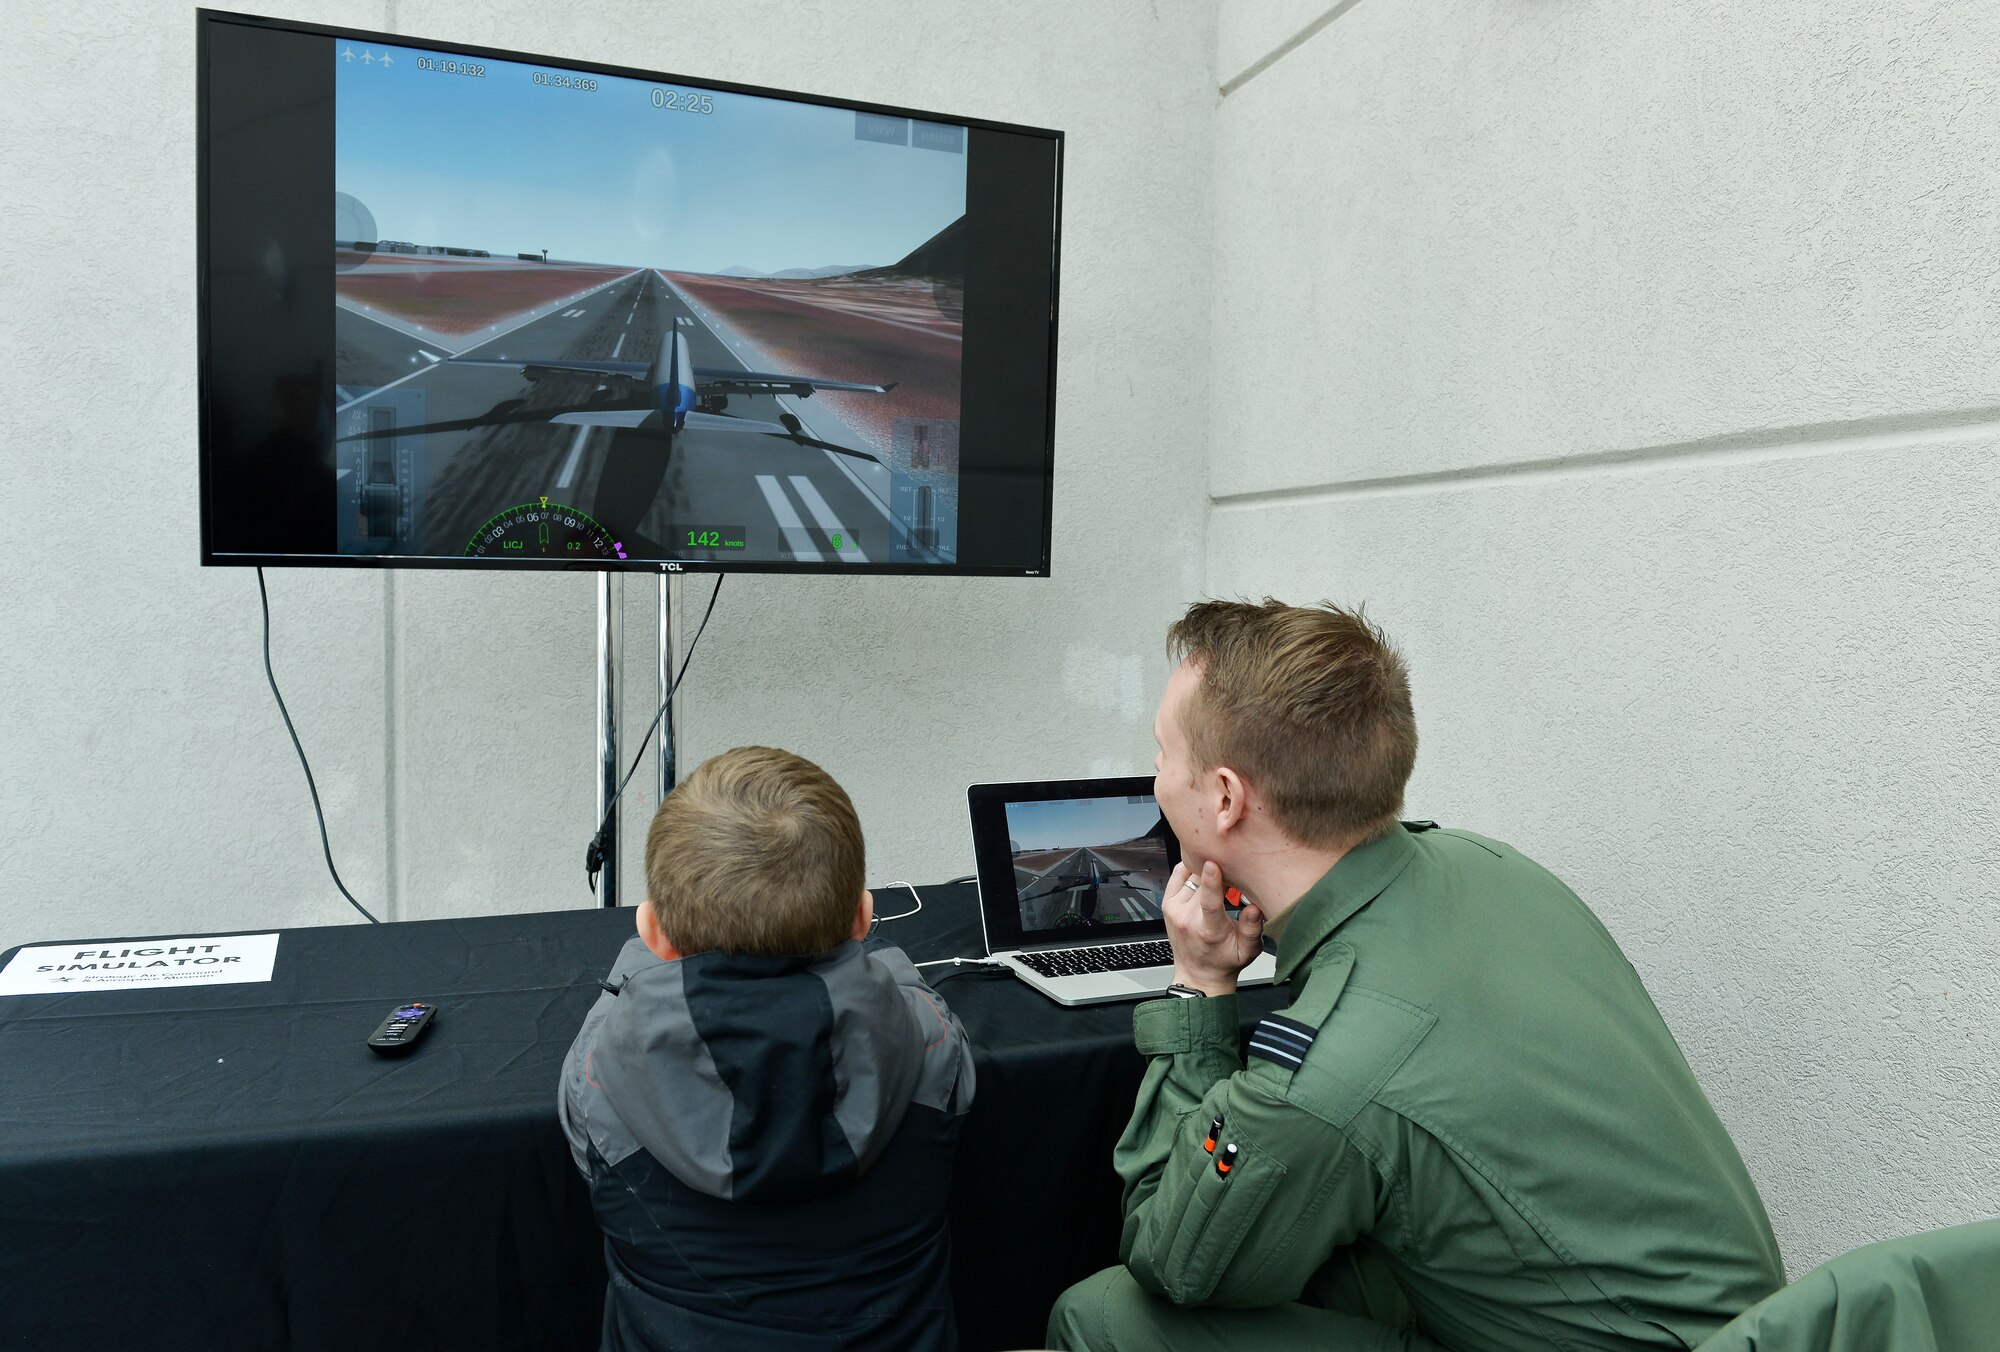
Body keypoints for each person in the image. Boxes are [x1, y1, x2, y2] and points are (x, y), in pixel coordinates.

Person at [1048, 599, 1785, 1352]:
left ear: (1228, 798)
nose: (1158, 780)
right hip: (1741, 1325)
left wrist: (1200, 986)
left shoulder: (1328, 1072)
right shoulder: (1495, 866)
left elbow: (1174, 1257)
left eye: (1164, 755)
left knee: (1107, 1316)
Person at [560, 746, 976, 1352]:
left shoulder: (595, 1076)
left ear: (651, 933)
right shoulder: (933, 1043)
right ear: (864, 918)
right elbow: (911, 1005)